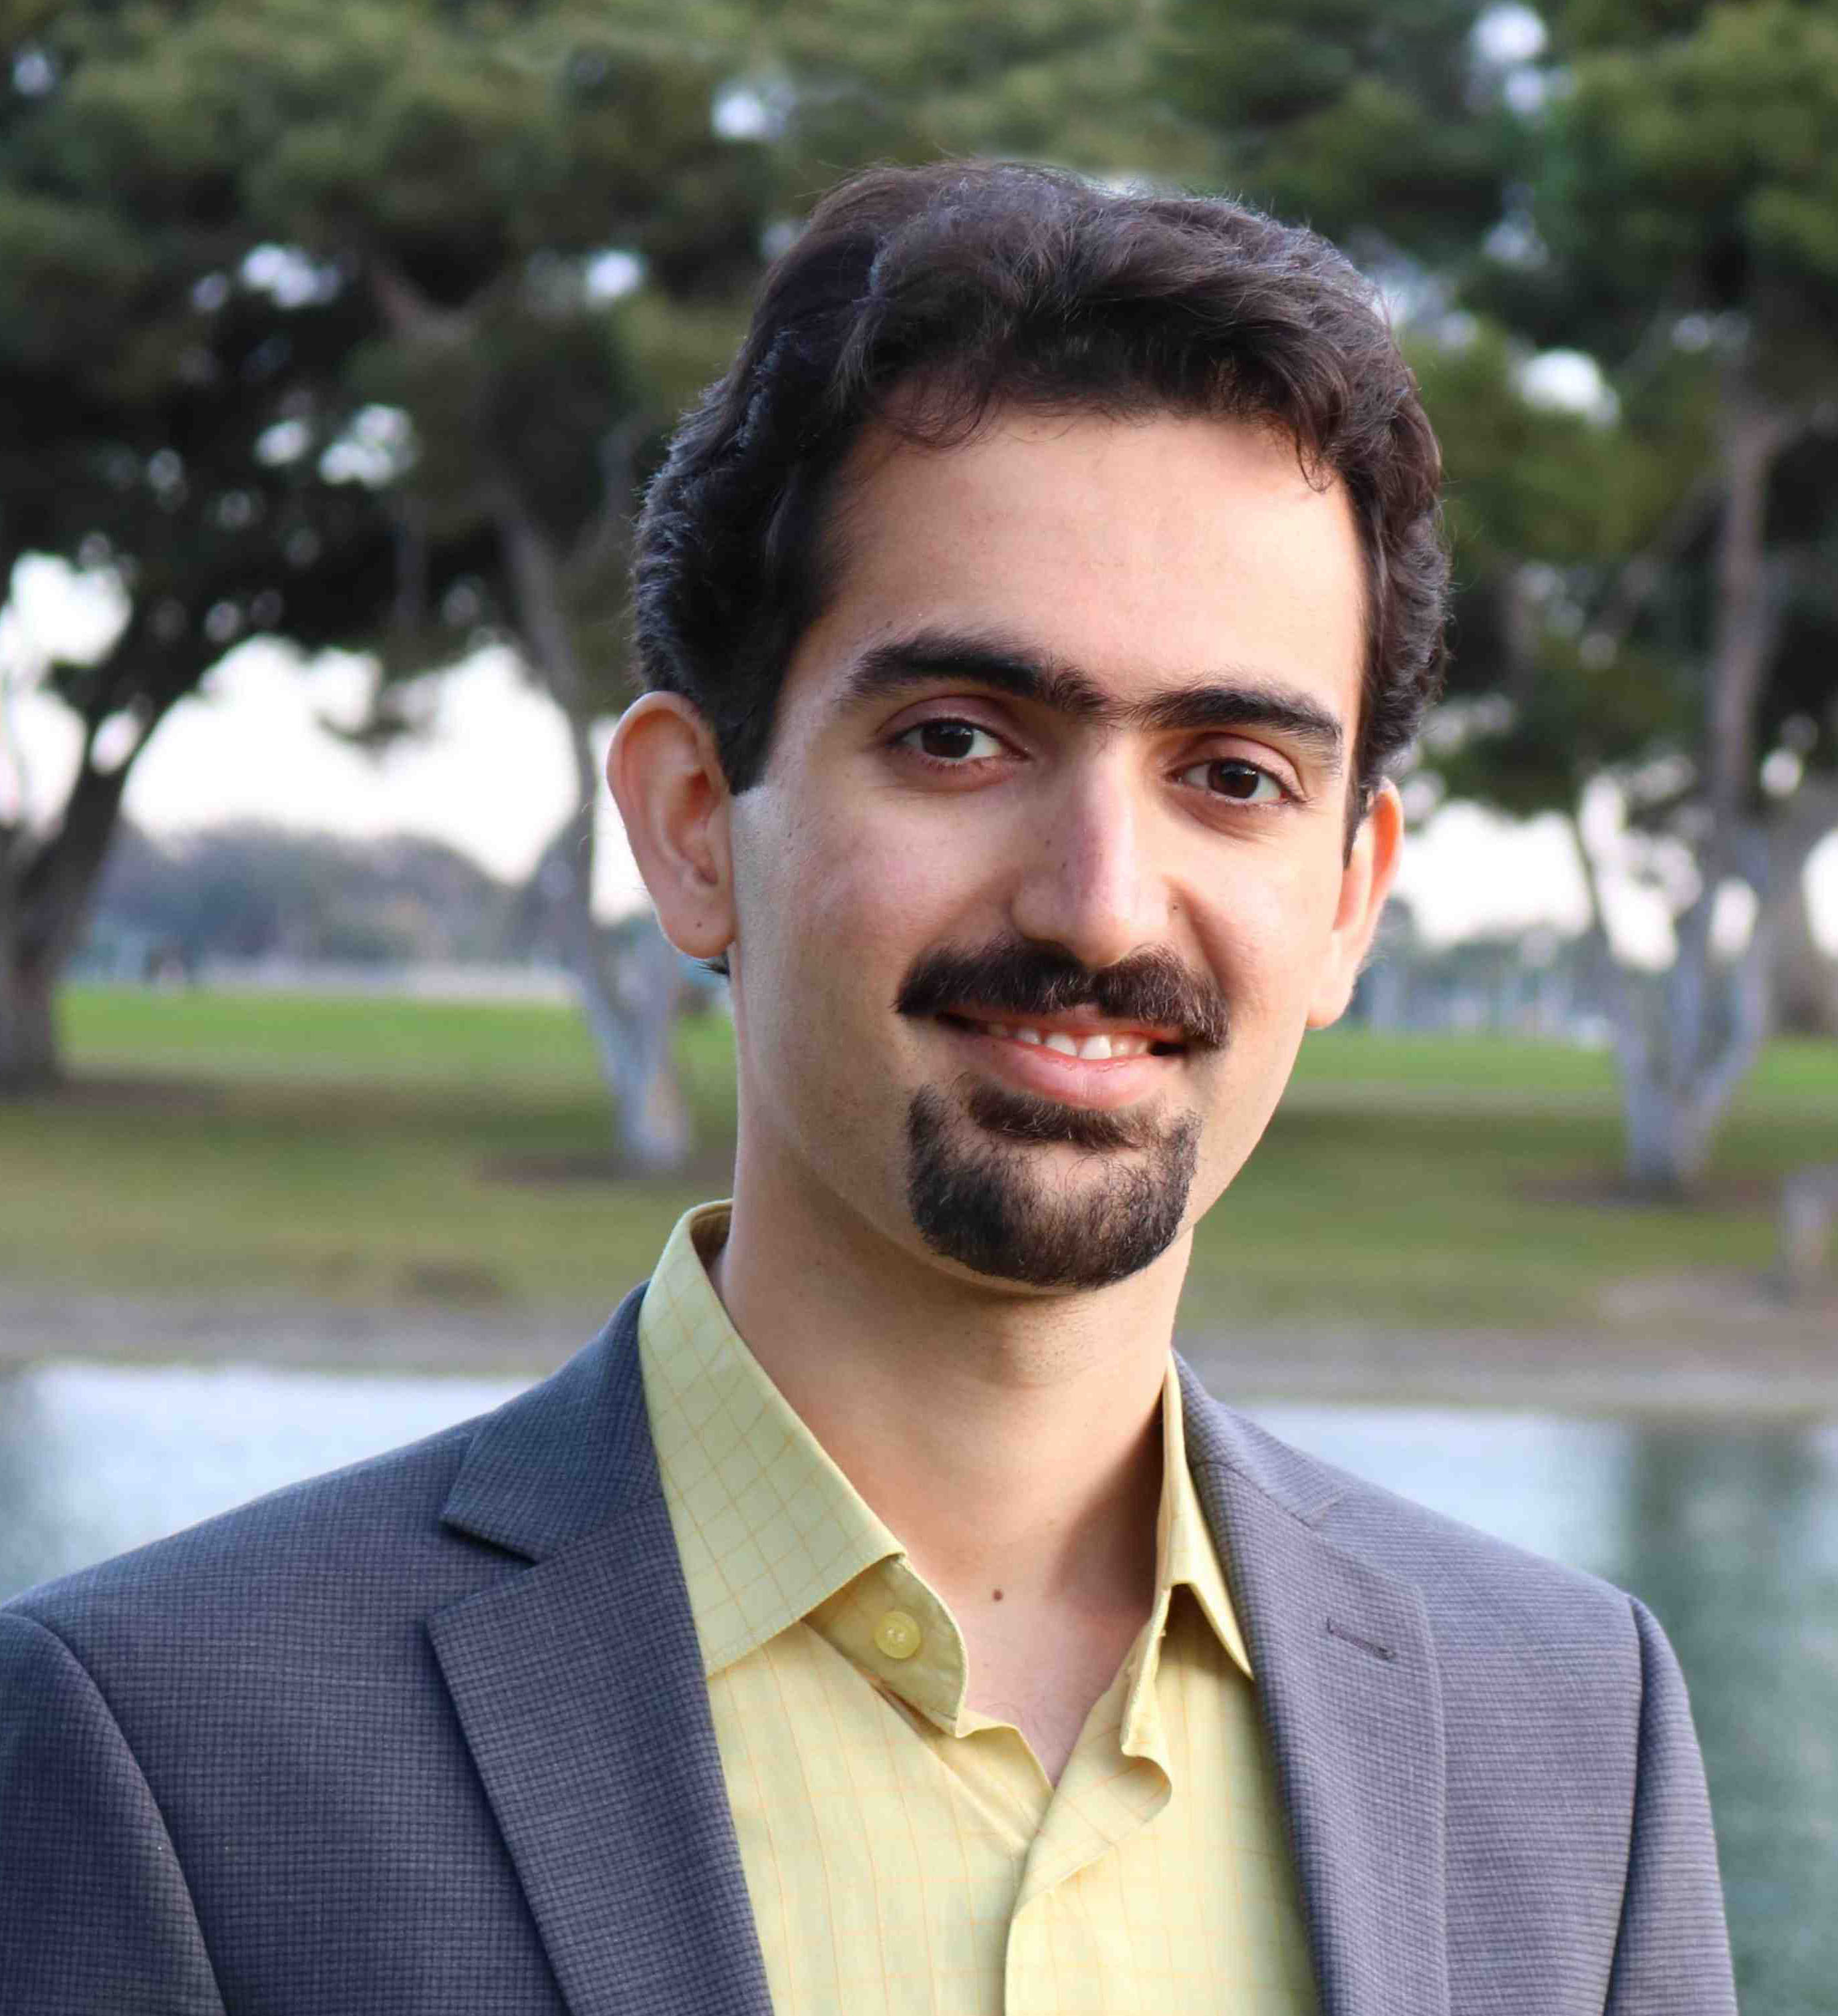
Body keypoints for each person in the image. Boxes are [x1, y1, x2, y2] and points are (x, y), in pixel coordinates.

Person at [0, 162, 1734, 2016]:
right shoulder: (164, 1750)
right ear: (693, 828)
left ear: (1347, 901)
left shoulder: (1579, 1736)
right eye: (959, 739)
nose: (1098, 903)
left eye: (1230, 773)